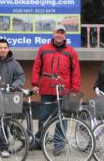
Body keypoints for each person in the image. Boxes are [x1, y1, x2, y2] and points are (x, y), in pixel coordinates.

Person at [31, 25, 81, 153]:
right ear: (53, 34)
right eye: (57, 32)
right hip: (47, 89)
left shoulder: (71, 51)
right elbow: (37, 67)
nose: (59, 35)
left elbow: (76, 71)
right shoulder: (43, 49)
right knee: (43, 117)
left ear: (65, 35)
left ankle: (59, 145)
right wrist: (35, 84)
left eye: (62, 33)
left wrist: (75, 89)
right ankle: (40, 142)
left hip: (64, 90)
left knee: (62, 119)